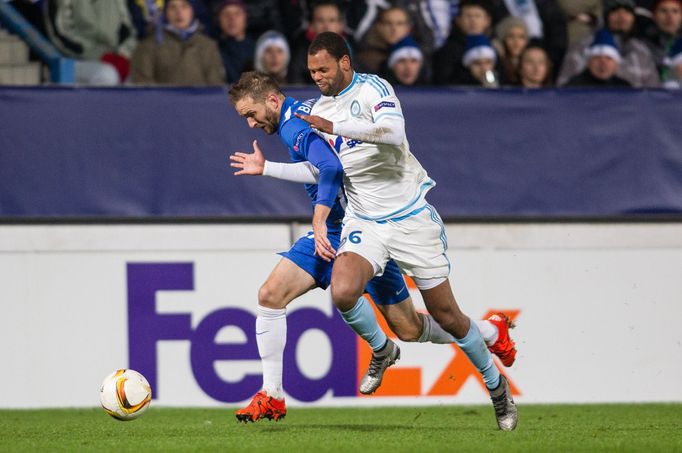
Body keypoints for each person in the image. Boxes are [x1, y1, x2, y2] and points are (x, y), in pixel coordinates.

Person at [227, 70, 517, 423]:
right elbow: (323, 168)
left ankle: (481, 332)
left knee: (410, 328)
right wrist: (268, 168)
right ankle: (273, 394)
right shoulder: (302, 113)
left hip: (355, 226)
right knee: (271, 294)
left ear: (271, 100)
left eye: (251, 114)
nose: (251, 124)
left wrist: (317, 218)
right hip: (350, 227)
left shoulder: (294, 124)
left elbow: (330, 168)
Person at [298, 31, 518, 431]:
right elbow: (322, 169)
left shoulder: (373, 89)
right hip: (365, 220)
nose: (316, 76)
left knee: (447, 315)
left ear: (345, 63)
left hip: (410, 218)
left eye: (323, 69)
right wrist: (269, 170)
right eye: (311, 70)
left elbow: (393, 133)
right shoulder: (316, 108)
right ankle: (382, 351)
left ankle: (496, 385)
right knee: (344, 290)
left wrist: (335, 124)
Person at [558, 0, 660, 87]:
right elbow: (564, 90)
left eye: (627, 12)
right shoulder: (582, 47)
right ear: (606, 17)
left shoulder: (641, 50)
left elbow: (654, 91)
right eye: (615, 11)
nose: (622, 17)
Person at [130, 0, 225, 85]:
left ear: (193, 10)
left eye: (184, 6)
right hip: (162, 104)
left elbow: (215, 86)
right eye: (172, 7)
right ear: (165, 12)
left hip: (200, 103)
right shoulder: (148, 46)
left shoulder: (208, 46)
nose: (179, 12)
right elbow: (143, 85)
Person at [44, 0, 137, 85]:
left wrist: (122, 55)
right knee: (107, 75)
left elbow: (129, 30)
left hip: (112, 57)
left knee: (135, 80)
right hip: (70, 61)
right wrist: (100, 55)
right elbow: (61, 35)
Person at [288, 1, 353, 84]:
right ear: (311, 26)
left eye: (331, 20)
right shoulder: (299, 57)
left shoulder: (352, 51)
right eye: (320, 20)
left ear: (340, 25)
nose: (326, 26)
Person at [433, 0, 495, 85]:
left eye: (477, 16)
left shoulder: (495, 48)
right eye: (468, 16)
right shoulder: (447, 52)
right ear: (458, 20)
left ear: (487, 20)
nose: (473, 21)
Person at [356, 6, 414, 74]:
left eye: (399, 24)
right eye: (388, 23)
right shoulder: (366, 59)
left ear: (408, 28)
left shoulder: (419, 55)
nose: (394, 29)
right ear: (379, 26)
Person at [565, 28, 632, 86]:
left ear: (616, 65)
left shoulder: (624, 88)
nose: (603, 63)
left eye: (608, 58)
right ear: (588, 63)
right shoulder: (573, 87)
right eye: (597, 58)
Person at [637, 0, 682, 77]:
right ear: (654, 16)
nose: (669, 16)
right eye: (663, 11)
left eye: (675, 11)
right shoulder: (641, 45)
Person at [215, 0, 254, 84]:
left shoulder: (257, 49)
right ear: (219, 19)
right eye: (226, 14)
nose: (232, 19)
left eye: (237, 14)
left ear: (245, 17)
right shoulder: (212, 50)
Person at [494, 16, 529, 84]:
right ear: (503, 40)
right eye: (511, 36)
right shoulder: (495, 63)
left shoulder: (530, 63)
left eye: (521, 37)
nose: (516, 42)